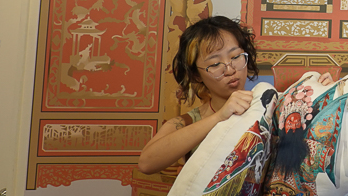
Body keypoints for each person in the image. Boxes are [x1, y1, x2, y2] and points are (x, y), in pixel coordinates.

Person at [138, 15, 334, 175]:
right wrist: (219, 116)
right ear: (196, 74)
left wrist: (324, 96)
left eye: (236, 56)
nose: (230, 69)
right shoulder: (188, 122)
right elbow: (146, 164)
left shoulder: (273, 106)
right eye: (215, 64)